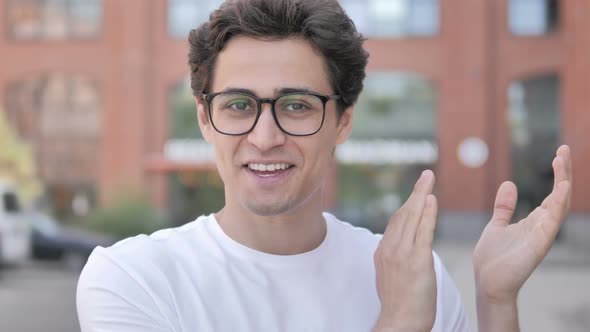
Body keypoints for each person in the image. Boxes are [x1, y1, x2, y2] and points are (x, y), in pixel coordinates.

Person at [76, 0, 573, 331]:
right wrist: (397, 322)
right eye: (238, 105)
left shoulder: (416, 274)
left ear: (342, 122)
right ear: (206, 119)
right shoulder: (133, 278)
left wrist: (496, 301)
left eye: (296, 106)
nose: (265, 138)